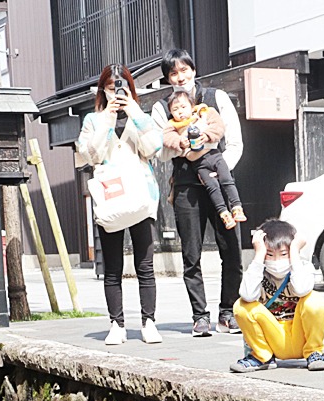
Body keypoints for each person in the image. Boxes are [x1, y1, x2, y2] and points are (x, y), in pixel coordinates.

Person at [153, 49, 245, 337]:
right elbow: (161, 152)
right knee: (191, 255)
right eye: (173, 73)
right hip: (185, 187)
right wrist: (181, 143)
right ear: (168, 78)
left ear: (193, 69)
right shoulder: (161, 107)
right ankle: (200, 316)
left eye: (184, 70)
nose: (180, 78)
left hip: (218, 183)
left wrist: (220, 171)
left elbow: (235, 142)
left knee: (232, 251)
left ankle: (228, 312)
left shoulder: (216, 98)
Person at [76, 63, 165, 346]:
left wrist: (134, 112)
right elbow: (90, 154)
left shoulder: (139, 115)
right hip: (111, 195)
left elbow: (154, 148)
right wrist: (108, 119)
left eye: (122, 85)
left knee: (145, 264)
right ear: (102, 89)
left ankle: (148, 321)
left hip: (139, 195)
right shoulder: (93, 120)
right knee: (112, 266)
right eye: (112, 86)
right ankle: (117, 323)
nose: (117, 91)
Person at [231, 219, 324, 373]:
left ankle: (315, 353)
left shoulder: (303, 268)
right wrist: (259, 255)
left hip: (300, 338)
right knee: (241, 306)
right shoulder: (257, 272)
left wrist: (295, 253)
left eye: (283, 254)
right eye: (270, 254)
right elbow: (247, 295)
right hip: (273, 338)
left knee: (314, 300)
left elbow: (302, 289)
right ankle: (261, 357)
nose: (277, 261)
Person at [164, 90, 246, 230]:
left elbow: (219, 126)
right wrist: (179, 142)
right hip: (199, 164)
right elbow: (167, 138)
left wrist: (207, 135)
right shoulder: (173, 125)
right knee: (212, 187)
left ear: (192, 105)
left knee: (226, 180)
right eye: (175, 109)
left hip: (215, 156)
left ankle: (237, 207)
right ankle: (224, 213)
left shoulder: (204, 112)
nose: (180, 112)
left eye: (183, 107)